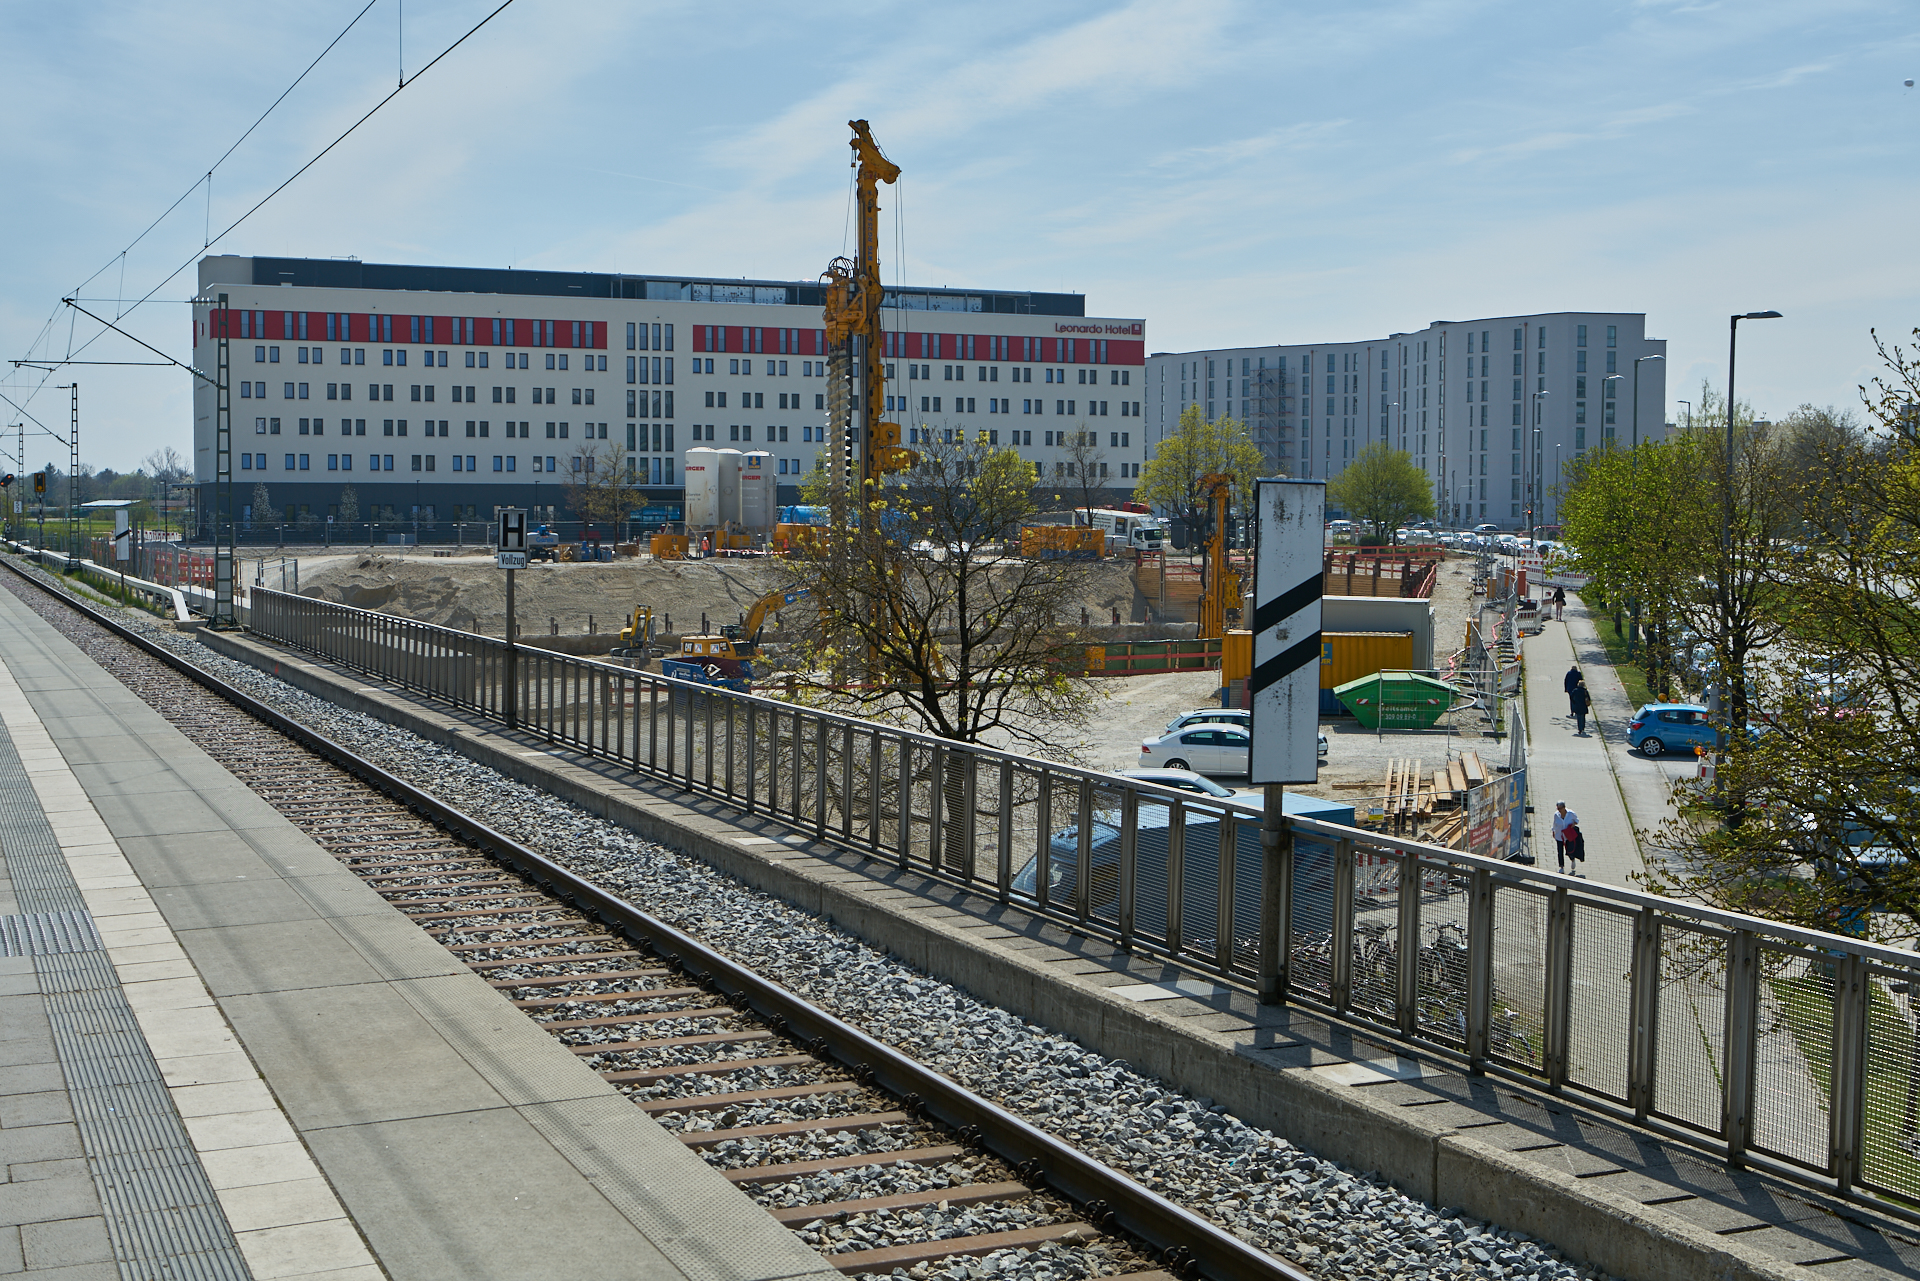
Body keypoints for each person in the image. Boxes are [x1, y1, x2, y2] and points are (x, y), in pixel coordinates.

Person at [1551, 801, 1584, 875]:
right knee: (1560, 852)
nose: (1559, 810)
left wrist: (1573, 824)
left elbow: (1576, 820)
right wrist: (1553, 831)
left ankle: (1572, 859)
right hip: (1559, 835)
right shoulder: (1556, 815)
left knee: (1569, 851)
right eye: (1558, 808)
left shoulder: (1570, 813)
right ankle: (1561, 867)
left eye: (1560, 808)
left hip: (1568, 836)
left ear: (1564, 808)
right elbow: (1554, 823)